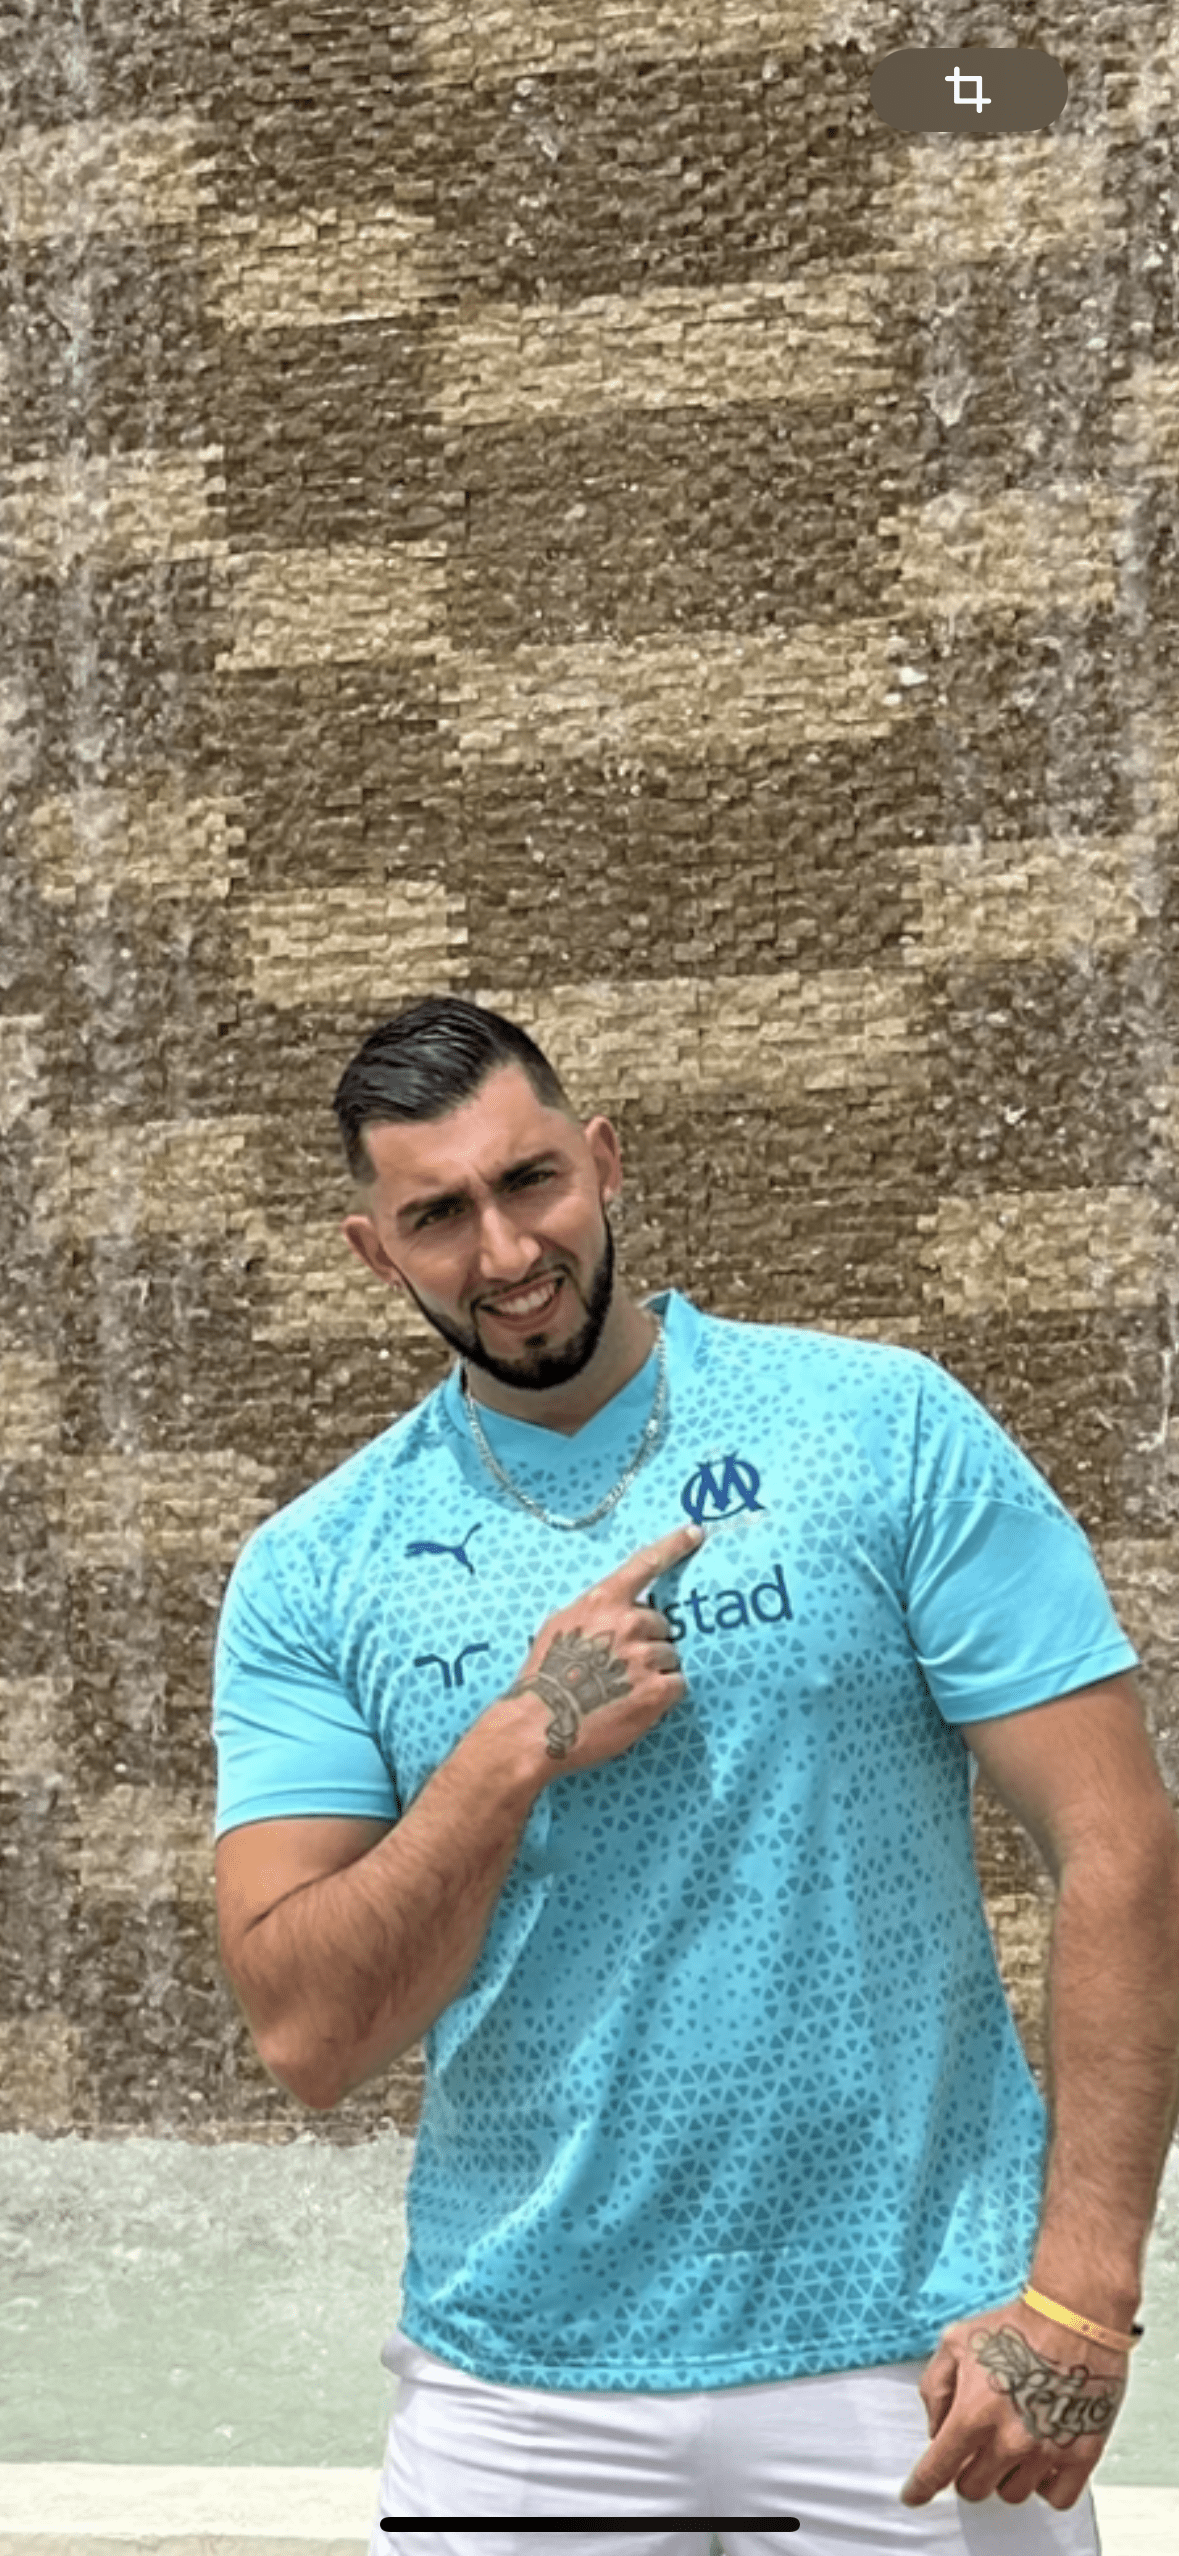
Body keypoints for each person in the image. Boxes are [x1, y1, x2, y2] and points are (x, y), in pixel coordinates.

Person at [212, 994, 1160, 2556]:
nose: (505, 1251)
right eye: (438, 1216)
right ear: (373, 1253)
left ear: (603, 1160)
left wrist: (1079, 2295)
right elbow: (311, 2034)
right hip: (516, 2392)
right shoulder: (315, 1568)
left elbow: (1116, 1841)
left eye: (530, 1182)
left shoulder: (881, 1428)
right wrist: (509, 1751)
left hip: (912, 2362)